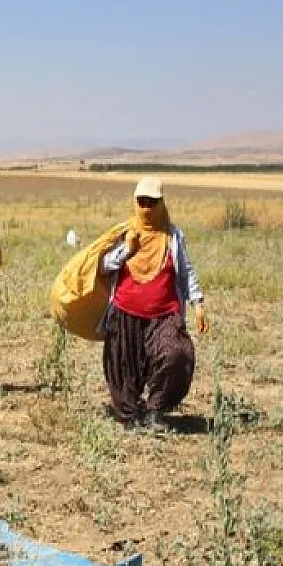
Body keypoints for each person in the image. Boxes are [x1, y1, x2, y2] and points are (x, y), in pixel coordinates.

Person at [99, 177, 208, 431]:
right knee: (123, 368)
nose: (146, 207)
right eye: (142, 201)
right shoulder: (124, 232)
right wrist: (127, 249)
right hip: (125, 314)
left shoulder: (173, 235)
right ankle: (129, 416)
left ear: (161, 203)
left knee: (177, 355)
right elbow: (103, 266)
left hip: (164, 315)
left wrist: (198, 303)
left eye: (152, 202)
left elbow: (185, 272)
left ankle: (155, 410)